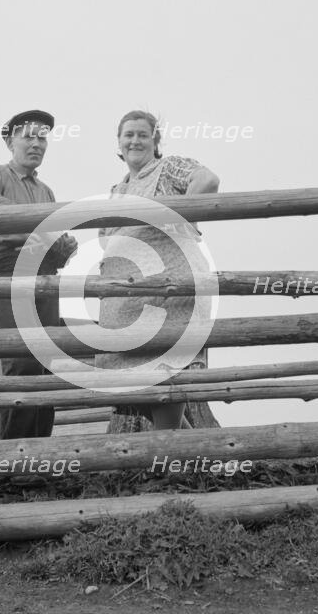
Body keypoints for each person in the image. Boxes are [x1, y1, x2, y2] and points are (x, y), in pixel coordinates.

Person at [96, 110, 219, 430]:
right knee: (132, 383)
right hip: (126, 303)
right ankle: (194, 455)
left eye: (142, 134)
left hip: (166, 292)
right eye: (128, 135)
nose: (135, 140)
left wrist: (182, 216)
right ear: (119, 144)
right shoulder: (118, 190)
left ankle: (170, 465)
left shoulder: (167, 168)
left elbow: (207, 180)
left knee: (165, 375)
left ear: (155, 141)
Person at [0, 109, 77, 439]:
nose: (36, 143)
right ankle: (14, 460)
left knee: (47, 362)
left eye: (42, 137)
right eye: (28, 136)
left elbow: (52, 238)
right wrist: (41, 227)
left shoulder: (46, 191)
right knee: (22, 360)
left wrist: (63, 246)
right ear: (9, 141)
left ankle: (39, 458)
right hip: (7, 268)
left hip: (43, 273)